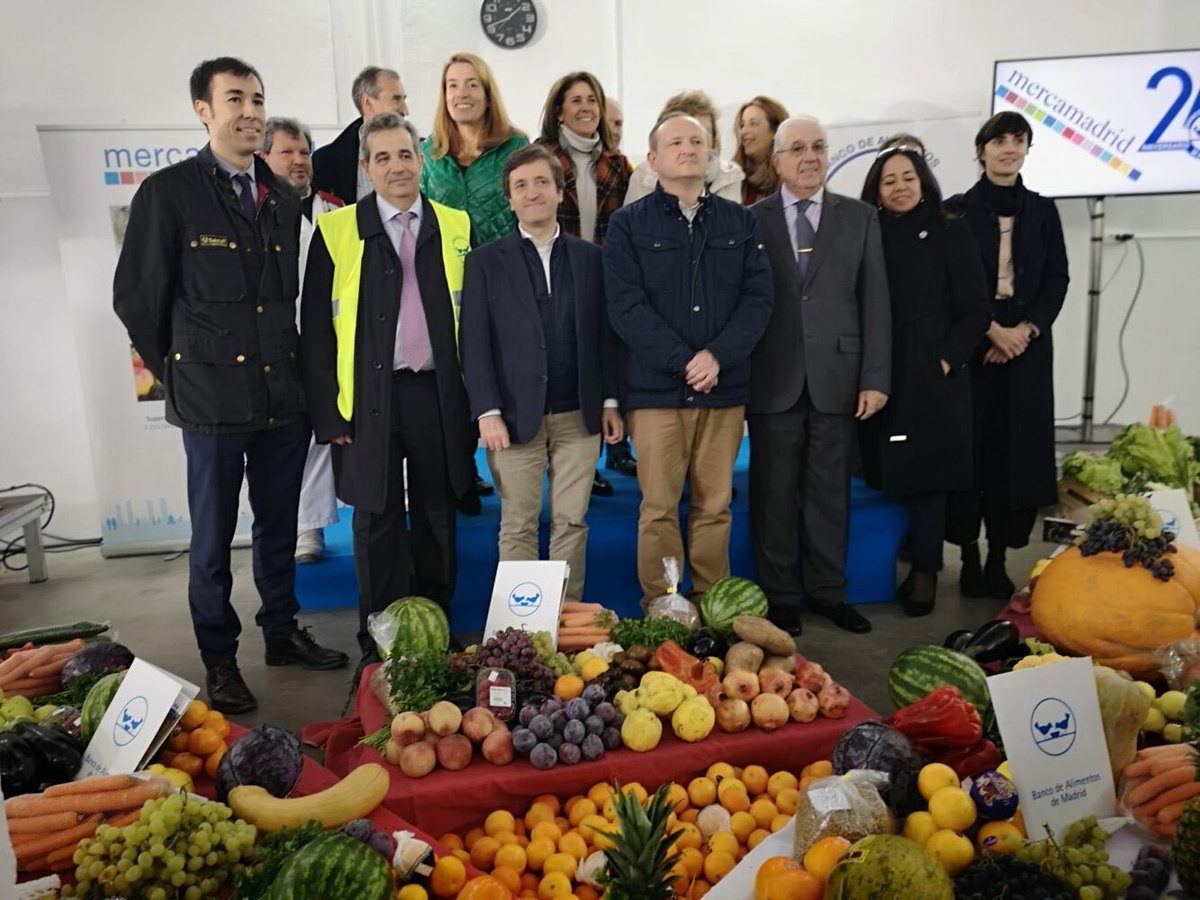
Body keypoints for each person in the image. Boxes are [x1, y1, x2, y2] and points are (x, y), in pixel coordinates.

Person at [113, 57, 348, 714]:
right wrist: (180, 373)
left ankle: (280, 633)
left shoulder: (284, 197)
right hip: (212, 404)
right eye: (235, 98)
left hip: (282, 399)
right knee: (213, 540)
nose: (250, 110)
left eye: (258, 98)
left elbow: (296, 300)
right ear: (203, 110)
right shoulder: (170, 194)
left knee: (279, 527)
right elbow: (137, 300)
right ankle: (220, 659)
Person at [300, 112, 476, 662]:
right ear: (365, 167)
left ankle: (434, 632)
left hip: (436, 395)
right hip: (367, 403)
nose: (396, 166)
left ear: (421, 159)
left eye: (405, 154)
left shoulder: (456, 225)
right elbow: (315, 336)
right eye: (383, 157)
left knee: (435, 515)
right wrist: (330, 418)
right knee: (375, 522)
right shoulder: (335, 231)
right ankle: (379, 641)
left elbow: (473, 319)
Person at [604, 113, 773, 604]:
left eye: (697, 141)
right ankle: (665, 607)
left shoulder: (741, 222)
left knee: (715, 505)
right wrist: (685, 361)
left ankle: (712, 603)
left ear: (710, 154)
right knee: (658, 506)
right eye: (675, 142)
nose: (688, 148)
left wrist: (717, 356)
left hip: (723, 389)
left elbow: (758, 299)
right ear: (653, 160)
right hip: (655, 392)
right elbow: (625, 307)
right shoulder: (627, 225)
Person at [460, 145, 623, 601]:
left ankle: (565, 620)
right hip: (512, 418)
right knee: (518, 523)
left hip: (580, 414)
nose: (532, 193)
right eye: (520, 186)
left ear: (559, 192)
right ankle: (522, 626)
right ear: (509, 199)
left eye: (541, 183)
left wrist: (610, 400)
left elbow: (606, 335)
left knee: (572, 521)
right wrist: (486, 411)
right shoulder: (484, 262)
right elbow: (474, 344)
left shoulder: (592, 258)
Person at [748, 116, 891, 636]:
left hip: (840, 378)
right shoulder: (752, 220)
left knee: (830, 494)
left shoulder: (860, 218)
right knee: (773, 494)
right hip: (773, 380)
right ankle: (781, 596)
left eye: (818, 148)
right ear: (778, 161)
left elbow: (875, 302)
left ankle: (830, 592)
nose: (809, 157)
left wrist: (875, 377)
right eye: (797, 149)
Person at [857, 144, 990, 615]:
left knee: (927, 476)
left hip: (931, 368)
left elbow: (976, 307)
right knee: (888, 470)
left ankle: (926, 573)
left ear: (923, 181)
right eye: (888, 179)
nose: (899, 187)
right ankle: (893, 564)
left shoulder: (952, 229)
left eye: (907, 177)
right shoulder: (866, 231)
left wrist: (946, 360)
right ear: (876, 188)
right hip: (878, 365)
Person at [945, 111, 1069, 599]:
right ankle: (969, 557)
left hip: (1028, 352)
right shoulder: (955, 210)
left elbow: (1057, 280)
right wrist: (990, 332)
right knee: (968, 454)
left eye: (1019, 141)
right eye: (999, 141)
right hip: (972, 349)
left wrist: (1024, 332)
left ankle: (999, 557)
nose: (1009, 149)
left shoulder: (1043, 211)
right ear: (982, 150)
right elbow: (950, 286)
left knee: (1013, 458)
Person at [535, 72, 635, 487]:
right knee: (566, 369)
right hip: (555, 279)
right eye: (575, 100)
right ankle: (572, 463)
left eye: (591, 100)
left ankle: (613, 446)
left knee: (605, 361)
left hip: (606, 277)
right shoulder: (540, 158)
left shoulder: (617, 164)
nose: (585, 108)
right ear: (559, 109)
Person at [259, 116, 343, 563]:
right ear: (264, 156)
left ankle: (317, 521)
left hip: (331, 338)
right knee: (291, 439)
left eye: (304, 152)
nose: (298, 161)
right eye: (287, 152)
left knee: (327, 432)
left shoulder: (337, 210)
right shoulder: (251, 211)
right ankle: (302, 528)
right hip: (275, 340)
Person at [420, 52, 529, 246]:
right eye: (453, 85)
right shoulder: (428, 153)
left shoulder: (515, 146)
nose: (462, 93)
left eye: (472, 85)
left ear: (488, 97)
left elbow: (530, 214)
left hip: (502, 267)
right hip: (445, 270)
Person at [624, 91, 744, 204]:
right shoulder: (644, 176)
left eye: (704, 133)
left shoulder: (730, 177)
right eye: (679, 139)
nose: (690, 148)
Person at [312, 66, 408, 205]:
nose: (405, 110)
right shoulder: (325, 162)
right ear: (368, 102)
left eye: (404, 100)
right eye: (396, 99)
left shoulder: (425, 151)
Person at [732, 96, 789, 205]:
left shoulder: (791, 179)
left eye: (753, 124)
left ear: (775, 131)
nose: (744, 131)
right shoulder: (731, 178)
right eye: (742, 125)